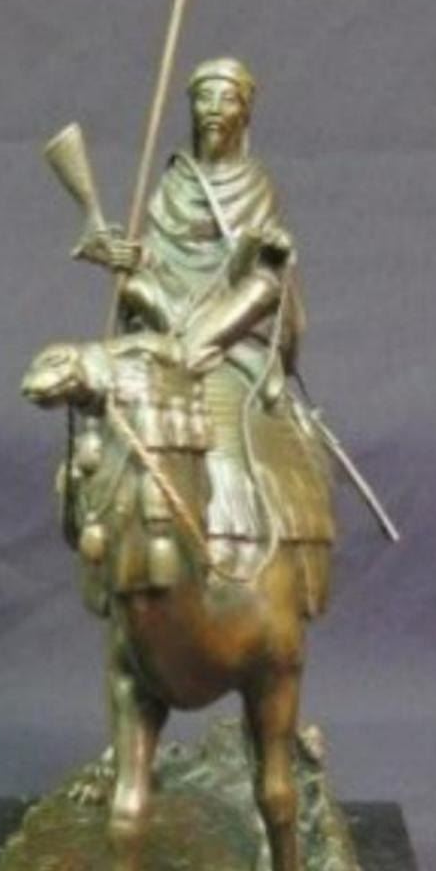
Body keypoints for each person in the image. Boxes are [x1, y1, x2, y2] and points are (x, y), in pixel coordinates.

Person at [74, 57, 333, 593]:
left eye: (227, 98)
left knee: (262, 297)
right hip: (165, 317)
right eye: (204, 98)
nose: (214, 109)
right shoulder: (172, 185)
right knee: (101, 392)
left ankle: (257, 547)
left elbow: (260, 277)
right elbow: (157, 262)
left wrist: (269, 254)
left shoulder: (256, 184)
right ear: (190, 108)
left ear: (246, 111)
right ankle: (101, 523)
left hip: (230, 333)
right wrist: (129, 259)